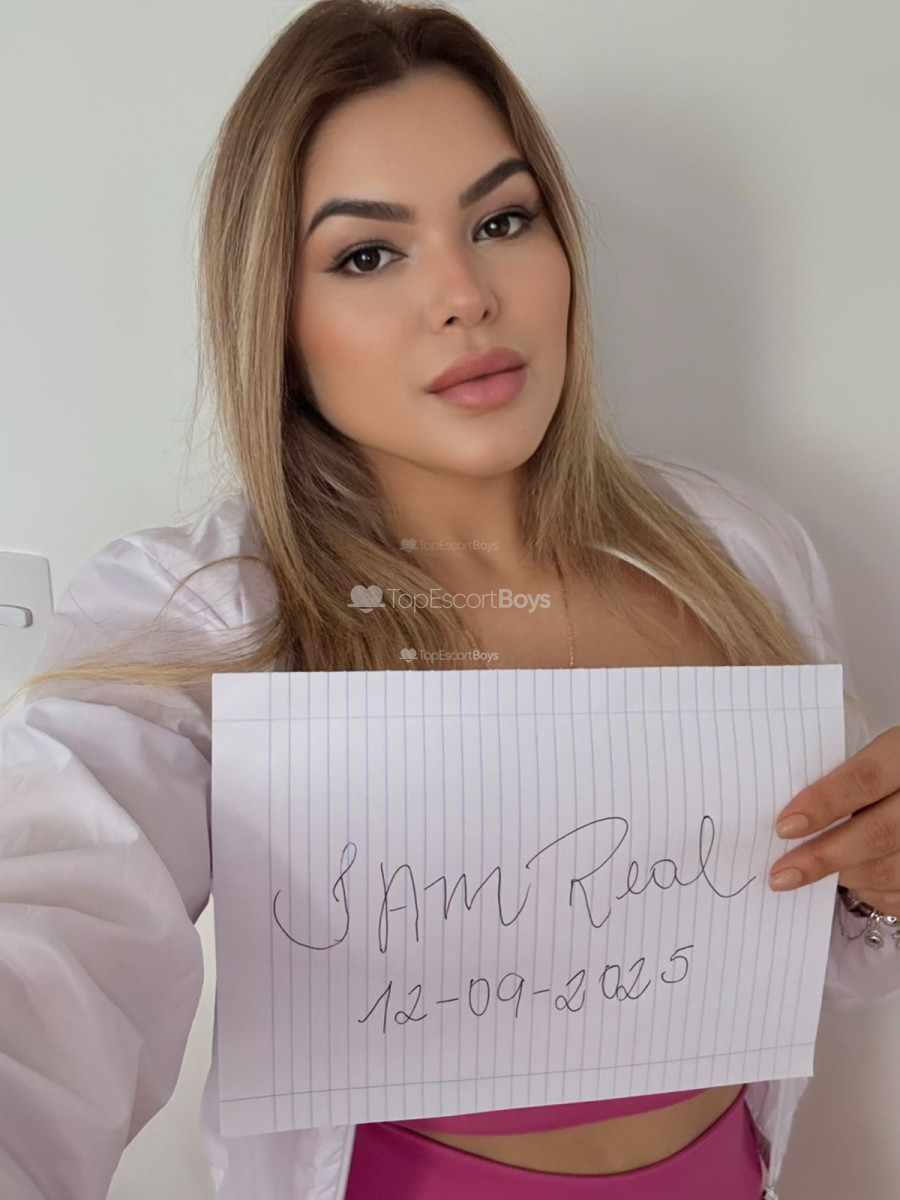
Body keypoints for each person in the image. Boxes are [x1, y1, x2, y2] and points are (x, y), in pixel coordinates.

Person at [1, 2, 898, 1198]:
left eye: (502, 220)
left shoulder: (738, 553)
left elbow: (839, 943)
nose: (467, 294)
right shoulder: (203, 614)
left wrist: (882, 884)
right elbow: (56, 925)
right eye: (368, 254)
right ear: (277, 317)